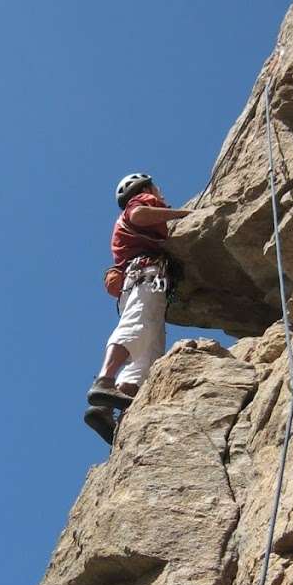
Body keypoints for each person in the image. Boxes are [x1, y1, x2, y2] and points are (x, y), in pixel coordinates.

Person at [85, 172, 192, 443]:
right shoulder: (143, 200)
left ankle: (115, 403)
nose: (160, 193)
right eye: (157, 187)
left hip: (144, 281)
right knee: (137, 327)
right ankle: (105, 383)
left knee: (148, 350)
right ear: (146, 188)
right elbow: (139, 215)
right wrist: (184, 214)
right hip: (146, 276)